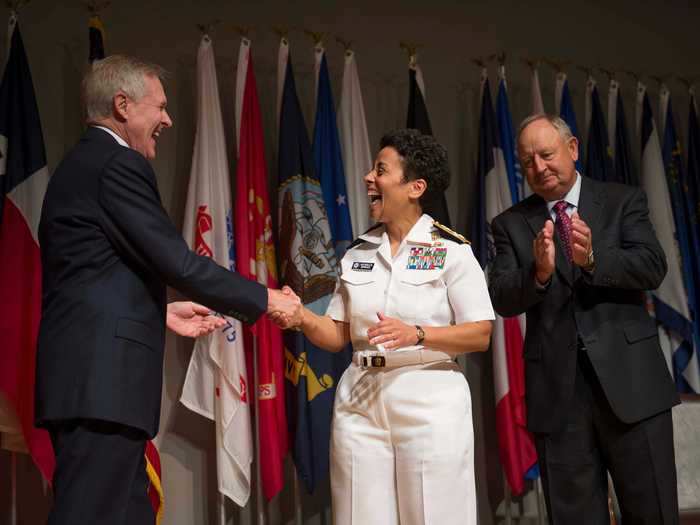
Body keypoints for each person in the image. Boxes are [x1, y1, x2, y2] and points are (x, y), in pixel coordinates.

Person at [35, 55, 299, 525]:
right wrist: (267, 299)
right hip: (100, 387)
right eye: (159, 106)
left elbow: (90, 275)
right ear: (122, 105)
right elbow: (178, 262)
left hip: (95, 384)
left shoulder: (84, 165)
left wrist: (160, 311)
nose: (167, 119)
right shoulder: (115, 163)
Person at [273, 129, 494, 525]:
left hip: (429, 398)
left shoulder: (451, 251)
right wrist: (302, 317)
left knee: (433, 515)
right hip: (360, 400)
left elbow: (480, 333)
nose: (367, 179)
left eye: (381, 170)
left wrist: (419, 334)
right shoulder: (357, 253)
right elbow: (338, 334)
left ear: (415, 187)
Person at [489, 114, 680, 524]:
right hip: (558, 400)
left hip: (632, 387)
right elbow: (502, 298)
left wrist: (593, 259)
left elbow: (652, 266)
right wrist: (537, 274)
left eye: (546, 154)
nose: (538, 168)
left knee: (653, 513)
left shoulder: (622, 200)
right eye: (527, 162)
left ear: (572, 148)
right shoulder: (509, 224)